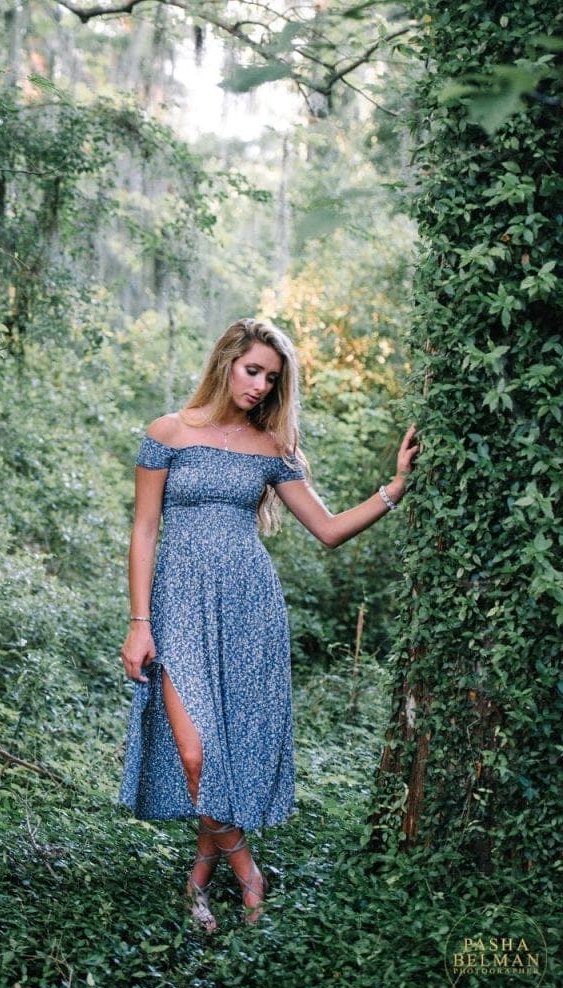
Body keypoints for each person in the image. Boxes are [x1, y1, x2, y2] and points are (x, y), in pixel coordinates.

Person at [119, 317, 418, 931]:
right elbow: (144, 531)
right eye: (252, 370)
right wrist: (139, 622)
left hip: (249, 606)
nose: (259, 386)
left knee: (225, 747)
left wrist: (393, 489)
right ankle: (250, 877)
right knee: (194, 750)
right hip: (178, 604)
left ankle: (198, 883)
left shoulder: (272, 449)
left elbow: (329, 530)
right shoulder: (167, 433)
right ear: (226, 360)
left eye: (271, 379)